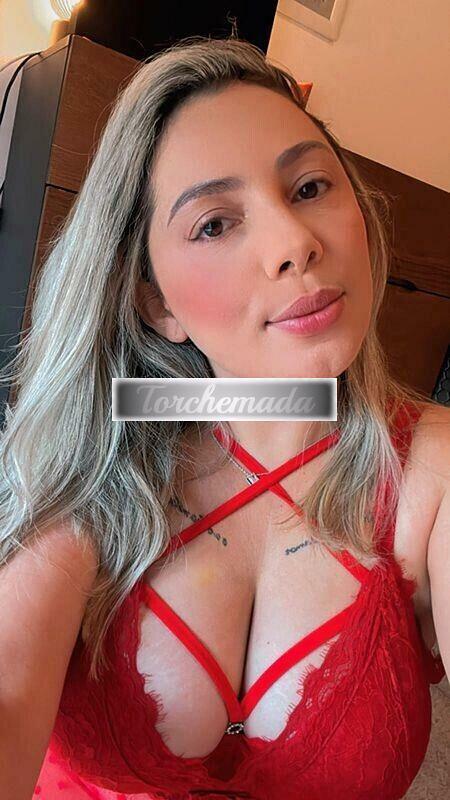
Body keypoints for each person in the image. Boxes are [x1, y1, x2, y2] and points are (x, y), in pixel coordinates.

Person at [0, 35, 448, 800]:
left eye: (310, 186)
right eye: (214, 223)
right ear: (156, 302)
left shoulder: (434, 466)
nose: (295, 244)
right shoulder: (102, 449)